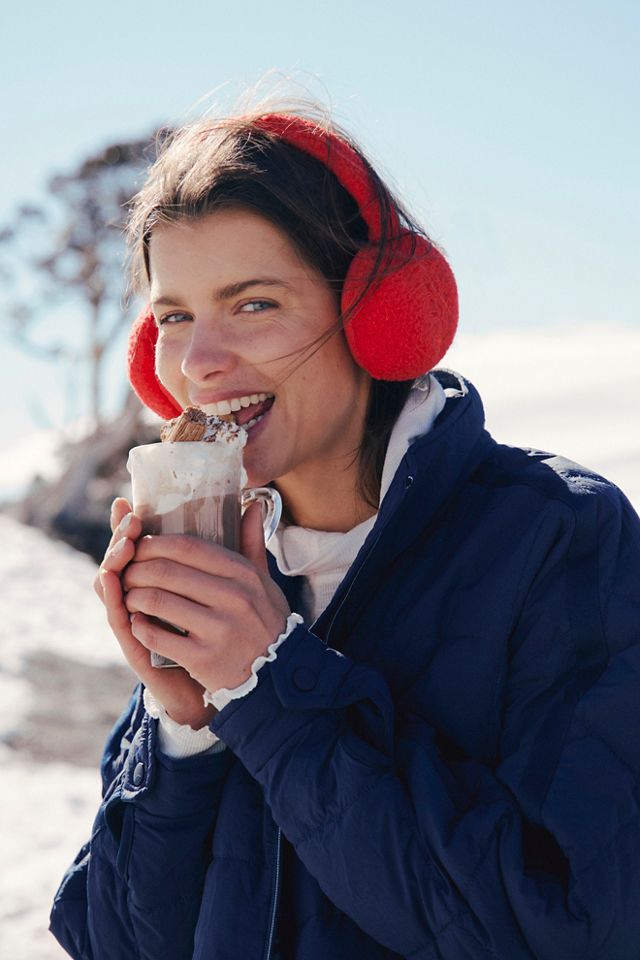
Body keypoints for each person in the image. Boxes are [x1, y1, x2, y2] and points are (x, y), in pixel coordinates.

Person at [50, 105, 640, 960]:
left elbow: (573, 930)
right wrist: (184, 725)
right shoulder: (231, 563)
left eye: (254, 303)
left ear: (377, 312)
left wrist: (269, 688)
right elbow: (114, 943)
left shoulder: (559, 537)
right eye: (173, 317)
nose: (198, 362)